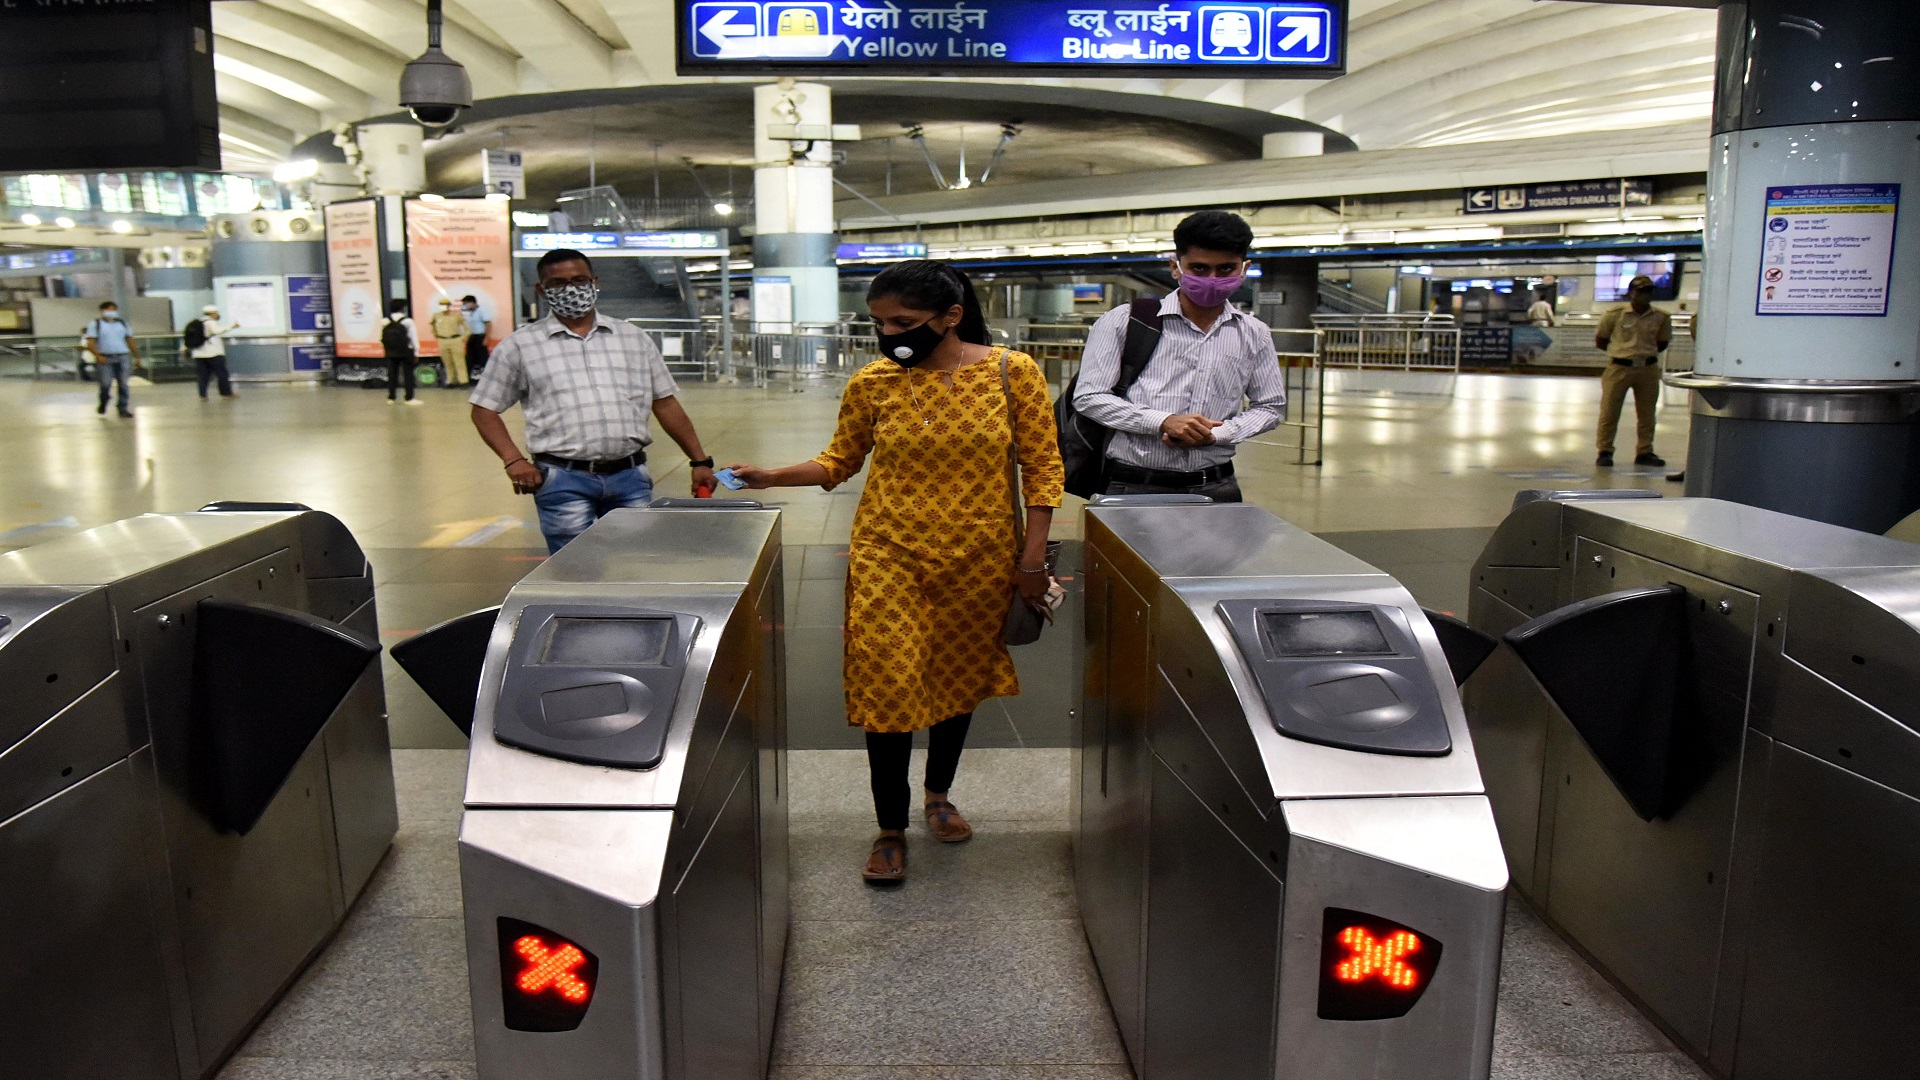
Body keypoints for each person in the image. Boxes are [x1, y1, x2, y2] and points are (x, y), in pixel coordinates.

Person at [727, 260, 1065, 885]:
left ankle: (939, 794)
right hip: (890, 553)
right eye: (878, 322)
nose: (888, 333)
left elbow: (1044, 470)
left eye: (903, 322)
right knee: (887, 682)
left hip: (981, 557)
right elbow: (839, 461)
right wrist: (772, 476)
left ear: (951, 317)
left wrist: (1031, 557)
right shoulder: (874, 381)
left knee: (956, 678)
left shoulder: (1011, 373)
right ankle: (889, 828)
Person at [470, 248, 718, 553]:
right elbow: (484, 409)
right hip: (562, 479)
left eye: (579, 279)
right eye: (558, 283)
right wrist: (513, 460)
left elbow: (665, 403)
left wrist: (699, 460)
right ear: (541, 289)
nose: (571, 289)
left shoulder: (632, 339)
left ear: (594, 281)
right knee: (575, 568)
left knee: (634, 563)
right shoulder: (520, 347)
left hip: (630, 476)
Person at [1073, 210, 1285, 500]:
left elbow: (1271, 406)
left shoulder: (1253, 333)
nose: (1212, 279)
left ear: (1244, 268)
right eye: (1199, 268)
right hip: (1134, 484)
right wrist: (1163, 421)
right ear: (1176, 267)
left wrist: (1218, 434)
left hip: (1217, 485)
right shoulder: (1124, 321)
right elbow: (1089, 396)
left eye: (1225, 269)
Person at [1593, 274, 1672, 468]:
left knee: (1647, 413)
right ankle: (1605, 451)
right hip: (1619, 367)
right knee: (1610, 411)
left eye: (1648, 292)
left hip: (1648, 368)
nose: (1645, 295)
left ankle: (1645, 451)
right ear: (1631, 293)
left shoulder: (1661, 317)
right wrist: (1623, 353)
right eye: (1640, 291)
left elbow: (1662, 342)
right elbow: (1601, 340)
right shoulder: (1614, 314)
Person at [83, 300, 140, 418]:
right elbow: (90, 343)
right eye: (109, 309)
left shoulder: (122, 324)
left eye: (113, 309)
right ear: (102, 311)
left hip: (122, 355)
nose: (112, 312)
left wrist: (136, 356)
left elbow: (130, 340)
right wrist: (98, 356)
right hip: (105, 357)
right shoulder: (96, 324)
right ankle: (104, 401)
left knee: (123, 384)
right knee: (105, 383)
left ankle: (122, 408)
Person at [184, 304, 238, 400]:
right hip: (213, 353)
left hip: (199, 353)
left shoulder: (197, 322)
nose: (218, 315)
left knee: (203, 375)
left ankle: (202, 395)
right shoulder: (211, 322)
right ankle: (226, 393)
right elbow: (217, 331)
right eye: (217, 313)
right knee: (222, 374)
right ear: (213, 314)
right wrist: (231, 327)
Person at [382, 298, 422, 405]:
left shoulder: (385, 321)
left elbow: (381, 337)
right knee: (408, 374)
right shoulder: (408, 321)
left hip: (391, 351)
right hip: (406, 351)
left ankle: (391, 397)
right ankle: (409, 398)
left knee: (392, 374)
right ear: (402, 308)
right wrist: (416, 352)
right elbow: (414, 338)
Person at [430, 297, 472, 387]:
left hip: (455, 340)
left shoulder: (456, 316)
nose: (443, 307)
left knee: (459, 361)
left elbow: (467, 327)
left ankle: (463, 381)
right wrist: (435, 334)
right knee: (447, 362)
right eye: (441, 305)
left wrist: (464, 337)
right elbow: (432, 325)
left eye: (445, 305)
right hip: (442, 340)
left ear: (449, 306)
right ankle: (451, 381)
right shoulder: (436, 315)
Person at [461, 294, 492, 382]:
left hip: (480, 337)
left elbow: (488, 324)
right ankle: (472, 378)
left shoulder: (481, 310)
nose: (465, 305)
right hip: (471, 337)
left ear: (472, 302)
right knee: (470, 357)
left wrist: (487, 338)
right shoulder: (468, 313)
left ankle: (485, 378)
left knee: (482, 357)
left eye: (467, 303)